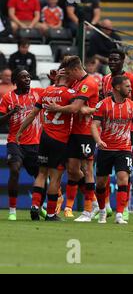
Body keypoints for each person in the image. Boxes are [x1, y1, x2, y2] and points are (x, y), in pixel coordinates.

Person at [16, 68, 75, 221]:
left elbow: (32, 113)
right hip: (60, 140)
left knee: (41, 173)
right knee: (55, 177)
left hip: (44, 138)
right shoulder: (70, 93)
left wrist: (20, 131)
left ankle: (35, 206)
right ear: (68, 77)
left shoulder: (46, 91)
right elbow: (78, 109)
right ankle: (50, 213)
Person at [45, 56, 99, 221]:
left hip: (86, 131)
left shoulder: (88, 83)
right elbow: (63, 94)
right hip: (74, 132)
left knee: (88, 169)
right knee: (73, 171)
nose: (68, 76)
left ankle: (88, 211)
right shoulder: (76, 82)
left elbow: (76, 108)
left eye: (69, 73)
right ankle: (96, 203)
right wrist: (56, 80)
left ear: (76, 70)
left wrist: (57, 108)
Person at [101, 49, 133, 220]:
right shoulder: (105, 80)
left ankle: (124, 207)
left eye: (115, 60)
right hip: (106, 130)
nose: (112, 63)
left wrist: (124, 105)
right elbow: (101, 100)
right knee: (102, 174)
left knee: (124, 173)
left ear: (123, 61)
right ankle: (105, 206)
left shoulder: (131, 79)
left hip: (126, 130)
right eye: (110, 60)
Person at [92, 75, 133, 224]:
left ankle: (120, 214)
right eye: (127, 86)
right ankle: (102, 211)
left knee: (123, 179)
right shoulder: (103, 105)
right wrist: (98, 140)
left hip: (124, 148)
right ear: (118, 87)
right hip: (106, 148)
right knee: (101, 183)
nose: (130, 88)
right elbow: (94, 125)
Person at [0, 69, 44, 220]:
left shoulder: (38, 93)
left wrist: (54, 80)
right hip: (15, 142)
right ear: (15, 81)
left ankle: (37, 206)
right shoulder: (8, 98)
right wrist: (11, 113)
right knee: (14, 169)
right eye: (23, 77)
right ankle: (12, 210)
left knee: (41, 175)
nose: (27, 79)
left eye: (28, 76)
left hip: (35, 143)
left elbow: (56, 93)